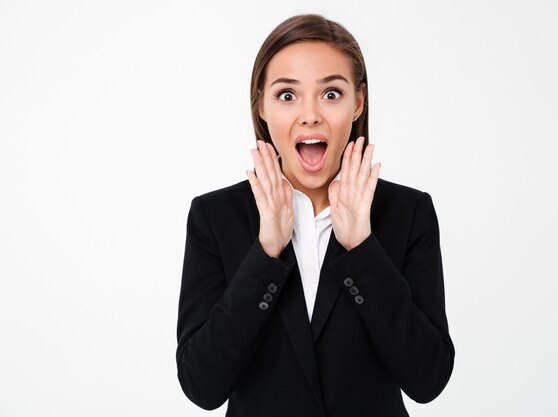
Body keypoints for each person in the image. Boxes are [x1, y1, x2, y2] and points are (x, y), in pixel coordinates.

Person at [176, 14, 455, 417]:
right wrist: (266, 253)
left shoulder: (409, 213)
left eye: (331, 94)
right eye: (287, 95)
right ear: (262, 105)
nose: (310, 115)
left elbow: (428, 379)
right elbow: (202, 385)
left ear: (358, 102)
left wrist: (362, 250)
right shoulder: (214, 217)